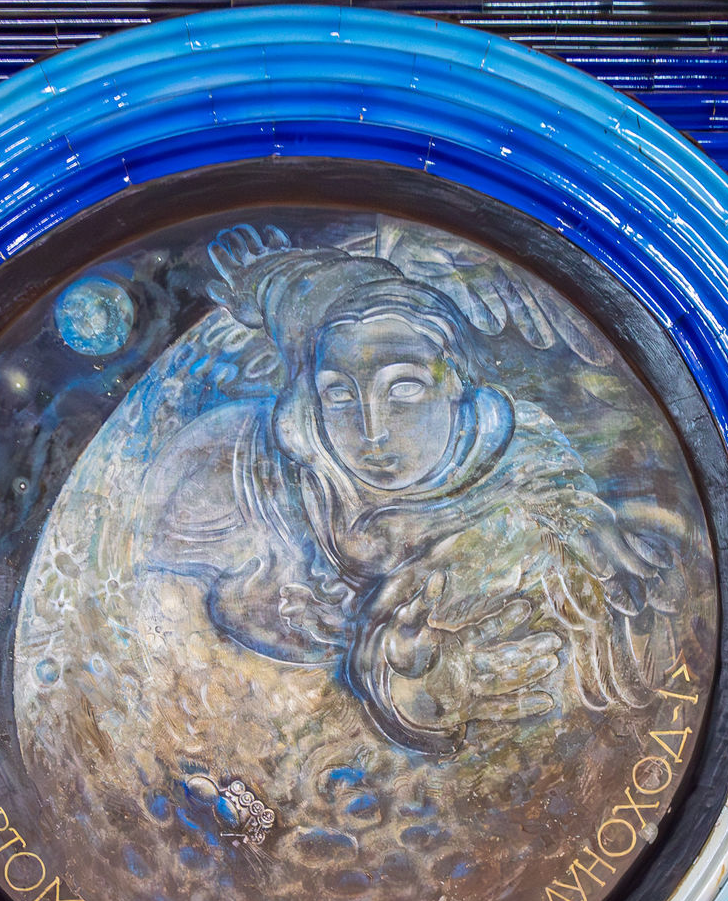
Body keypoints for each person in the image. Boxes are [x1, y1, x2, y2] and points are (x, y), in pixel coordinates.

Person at [136, 224, 685, 755]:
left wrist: (419, 690)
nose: (372, 430)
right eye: (340, 396)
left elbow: (625, 665)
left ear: (457, 391)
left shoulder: (534, 494)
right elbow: (157, 650)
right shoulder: (233, 468)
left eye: (404, 388)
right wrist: (268, 278)